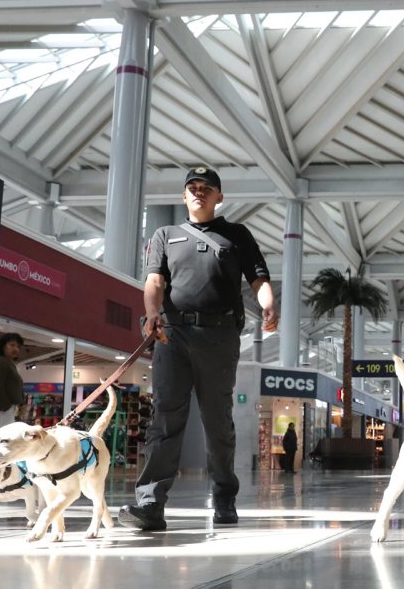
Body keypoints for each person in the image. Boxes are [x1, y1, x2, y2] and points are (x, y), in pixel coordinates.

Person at [120, 166, 278, 532]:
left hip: (220, 337)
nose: (199, 192)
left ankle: (224, 497)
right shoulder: (165, 234)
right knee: (165, 420)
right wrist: (151, 314)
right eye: (192, 187)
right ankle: (150, 503)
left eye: (207, 188)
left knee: (217, 422)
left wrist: (268, 305)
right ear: (184, 195)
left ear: (219, 196)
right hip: (172, 336)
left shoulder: (236, 234)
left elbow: (259, 278)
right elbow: (155, 280)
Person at [0, 332, 24, 432]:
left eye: (18, 346)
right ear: (3, 346)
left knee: (2, 438)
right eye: (12, 345)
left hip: (2, 408)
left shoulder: (8, 362)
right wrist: (4, 406)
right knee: (2, 437)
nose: (15, 349)